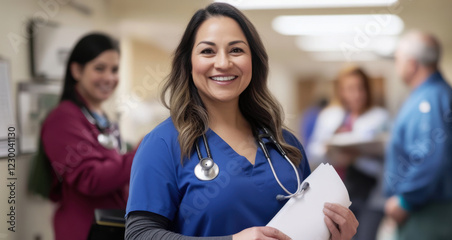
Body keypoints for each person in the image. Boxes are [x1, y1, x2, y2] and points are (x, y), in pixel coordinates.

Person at [125, 3, 358, 240]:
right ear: (188, 63)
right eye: (208, 51)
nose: (224, 63)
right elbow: (139, 235)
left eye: (236, 50)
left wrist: (333, 235)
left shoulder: (284, 145)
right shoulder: (163, 144)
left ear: (253, 61)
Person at [41, 33, 138, 240]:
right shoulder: (63, 119)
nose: (109, 78)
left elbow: (115, 170)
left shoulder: (103, 117)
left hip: (112, 226)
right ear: (76, 70)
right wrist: (140, 154)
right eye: (99, 68)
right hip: (84, 231)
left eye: (114, 69)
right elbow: (90, 179)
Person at [384, 30, 452, 240]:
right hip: (447, 210)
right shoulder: (448, 95)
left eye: (398, 60)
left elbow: (432, 156)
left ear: (412, 64)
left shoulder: (428, 101)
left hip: (427, 215)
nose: (397, 66)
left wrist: (405, 201)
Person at [307, 66, 390, 240]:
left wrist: (357, 157)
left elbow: (389, 157)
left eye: (361, 88)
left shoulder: (380, 117)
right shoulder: (329, 116)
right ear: (341, 90)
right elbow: (312, 153)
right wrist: (329, 149)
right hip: (335, 193)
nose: (357, 94)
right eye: (350, 88)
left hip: (370, 194)